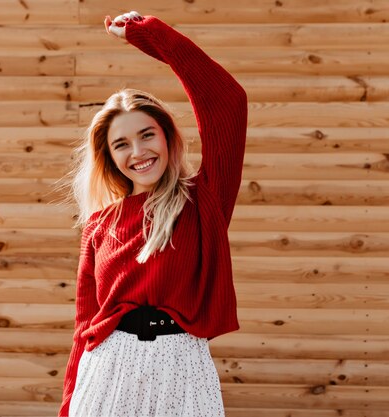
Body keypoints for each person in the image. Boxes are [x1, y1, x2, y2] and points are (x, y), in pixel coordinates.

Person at [59, 10, 248, 417]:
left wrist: (152, 36)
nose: (138, 152)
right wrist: (68, 404)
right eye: (121, 144)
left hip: (182, 369)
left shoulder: (203, 202)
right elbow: (84, 325)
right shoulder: (99, 226)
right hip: (107, 370)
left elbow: (228, 102)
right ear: (109, 157)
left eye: (147, 135)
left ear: (166, 136)